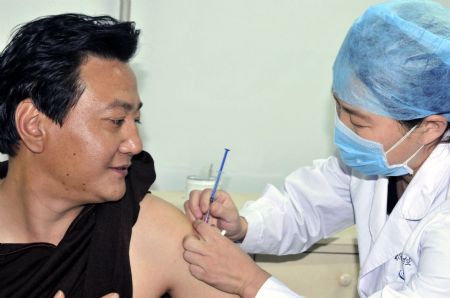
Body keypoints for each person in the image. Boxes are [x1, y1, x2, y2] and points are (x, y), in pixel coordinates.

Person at [183, 0, 450, 297]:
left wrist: (249, 282)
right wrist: (243, 226)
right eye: (338, 106)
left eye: (359, 123)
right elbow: (304, 210)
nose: (343, 128)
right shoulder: (379, 162)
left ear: (430, 128)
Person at [0, 13, 239, 298]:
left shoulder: (156, 237)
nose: (135, 145)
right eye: (115, 121)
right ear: (34, 125)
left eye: (135, 121)